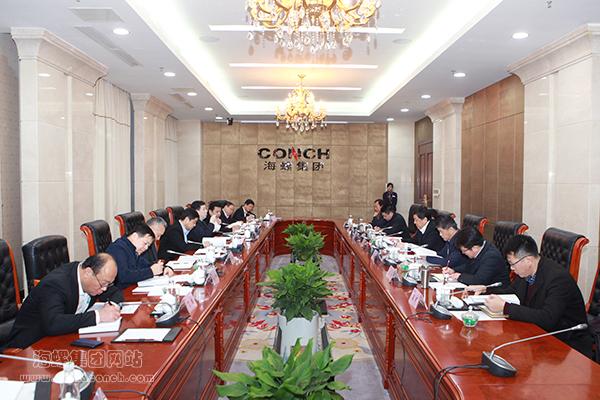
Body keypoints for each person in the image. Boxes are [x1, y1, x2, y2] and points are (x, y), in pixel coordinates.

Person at [464, 235, 593, 358]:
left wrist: (505, 308)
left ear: (528, 260)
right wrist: (485, 289)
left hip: (566, 344)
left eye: (513, 264)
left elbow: (548, 318)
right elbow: (512, 291)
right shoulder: (527, 271)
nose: (511, 268)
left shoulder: (558, 278)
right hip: (537, 333)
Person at [4, 253, 121, 349]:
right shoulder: (55, 285)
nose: (104, 289)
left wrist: (112, 308)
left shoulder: (93, 278)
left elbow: (115, 293)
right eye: (103, 284)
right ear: (88, 273)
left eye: (108, 284)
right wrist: (99, 316)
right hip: (32, 347)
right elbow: (53, 324)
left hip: (65, 338)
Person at [107, 223, 172, 289]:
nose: (146, 248)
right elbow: (123, 276)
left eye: (148, 246)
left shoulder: (133, 249)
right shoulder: (118, 248)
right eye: (145, 243)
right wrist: (151, 271)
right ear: (135, 236)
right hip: (121, 291)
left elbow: (146, 265)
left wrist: (163, 268)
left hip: (131, 287)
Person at [443, 226, 509, 286]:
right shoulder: (480, 249)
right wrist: (453, 270)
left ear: (474, 248)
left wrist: (459, 276)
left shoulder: (492, 257)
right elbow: (469, 266)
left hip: (495, 292)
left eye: (464, 251)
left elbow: (479, 280)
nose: (463, 253)